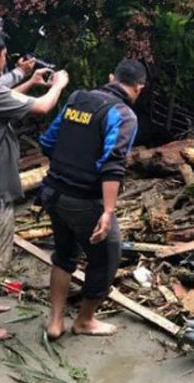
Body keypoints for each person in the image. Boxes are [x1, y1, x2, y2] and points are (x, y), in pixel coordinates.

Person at [0, 31, 68, 341]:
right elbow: (42, 108)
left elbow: (0, 94)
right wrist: (57, 85)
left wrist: (28, 80)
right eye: (3, 54)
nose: (6, 59)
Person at [38, 59, 145, 339]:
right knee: (107, 257)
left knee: (64, 255)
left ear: (112, 76)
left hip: (52, 192)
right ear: (139, 88)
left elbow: (48, 142)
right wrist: (108, 211)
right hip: (85, 201)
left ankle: (55, 322)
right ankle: (85, 320)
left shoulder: (77, 98)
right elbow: (113, 162)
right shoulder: (123, 114)